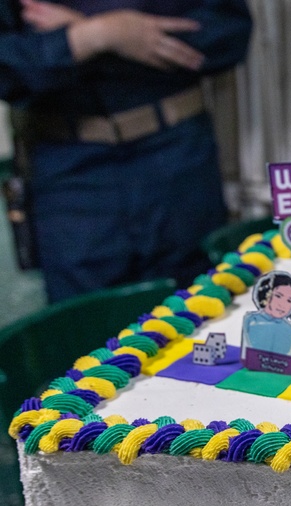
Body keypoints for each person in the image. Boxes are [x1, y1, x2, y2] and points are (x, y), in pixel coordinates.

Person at [0, 0, 253, 302]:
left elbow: (228, 34)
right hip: (70, 172)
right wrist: (100, 35)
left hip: (176, 154)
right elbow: (8, 68)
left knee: (199, 314)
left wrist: (96, 38)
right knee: (89, 330)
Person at [241, 271, 291, 358]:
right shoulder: (250, 320)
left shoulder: (290, 329)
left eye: (289, 301)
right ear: (266, 294)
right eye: (278, 296)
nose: (282, 304)